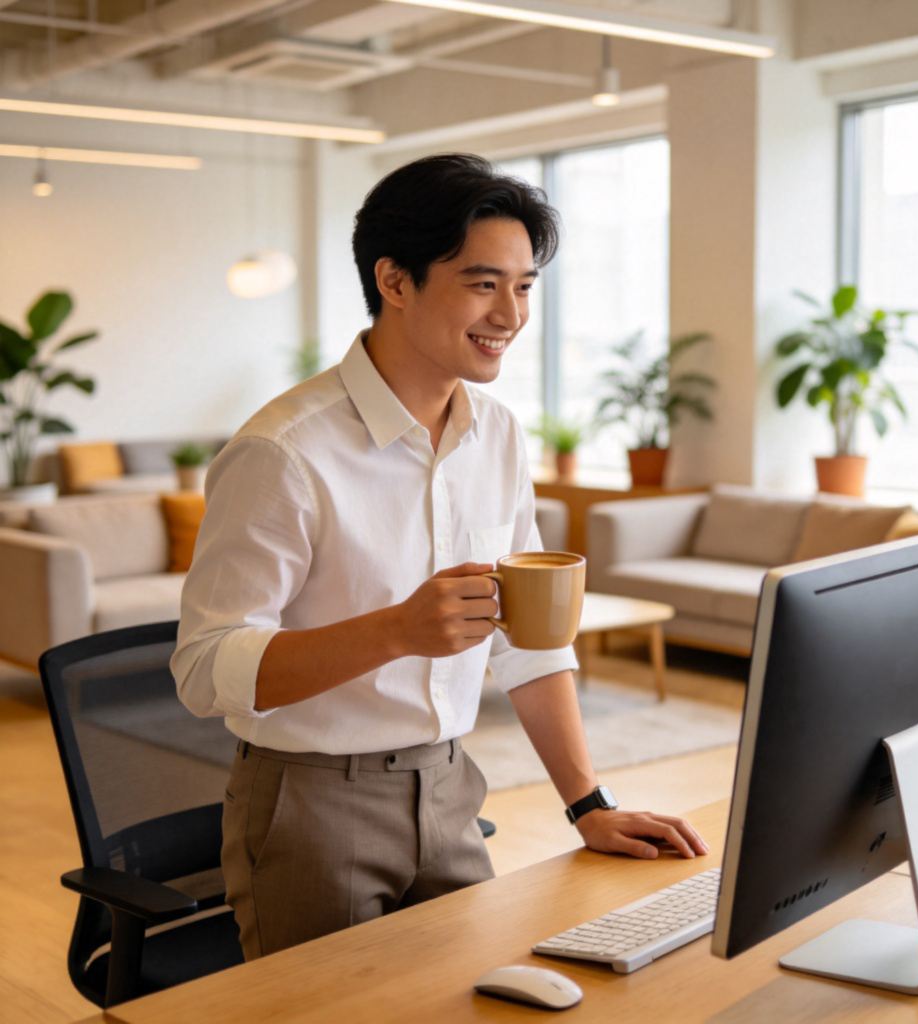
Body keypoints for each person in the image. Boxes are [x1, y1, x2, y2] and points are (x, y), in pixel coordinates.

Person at [172, 152, 708, 961]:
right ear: (395, 281)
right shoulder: (282, 451)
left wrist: (587, 802)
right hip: (313, 802)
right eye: (483, 283)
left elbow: (528, 637)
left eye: (525, 287)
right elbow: (205, 669)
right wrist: (393, 632)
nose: (512, 314)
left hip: (451, 788)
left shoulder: (496, 434)